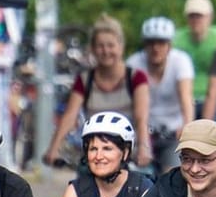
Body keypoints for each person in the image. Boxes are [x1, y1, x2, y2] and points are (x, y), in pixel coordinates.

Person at [48, 17, 150, 168]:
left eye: (111, 45)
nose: (105, 51)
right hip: (95, 154)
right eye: (100, 46)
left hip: (128, 153)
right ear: (93, 49)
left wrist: (143, 147)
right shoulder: (85, 80)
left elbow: (141, 117)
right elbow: (70, 115)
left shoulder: (136, 78)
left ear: (121, 47)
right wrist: (54, 148)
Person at [129, 17, 196, 172]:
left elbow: (186, 99)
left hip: (174, 131)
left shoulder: (181, 61)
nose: (155, 48)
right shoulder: (134, 64)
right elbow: (138, 108)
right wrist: (143, 144)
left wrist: (187, 127)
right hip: (142, 130)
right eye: (150, 43)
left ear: (169, 45)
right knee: (139, 176)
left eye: (161, 43)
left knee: (172, 176)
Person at [177, 0, 216, 111]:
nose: (195, 20)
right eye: (192, 16)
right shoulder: (176, 40)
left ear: (210, 17)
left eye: (199, 16)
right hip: (183, 99)